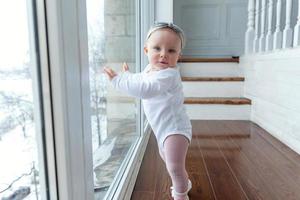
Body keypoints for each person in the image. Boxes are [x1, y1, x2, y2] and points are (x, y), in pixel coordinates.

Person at [103, 22, 192, 200]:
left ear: (178, 56)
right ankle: (184, 180)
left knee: (174, 167)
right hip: (162, 129)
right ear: (146, 50)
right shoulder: (151, 69)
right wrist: (127, 76)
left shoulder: (168, 74)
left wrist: (118, 81)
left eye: (171, 51)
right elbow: (140, 79)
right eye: (157, 48)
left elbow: (145, 89)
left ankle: (181, 193)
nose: (163, 55)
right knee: (169, 161)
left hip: (175, 129)